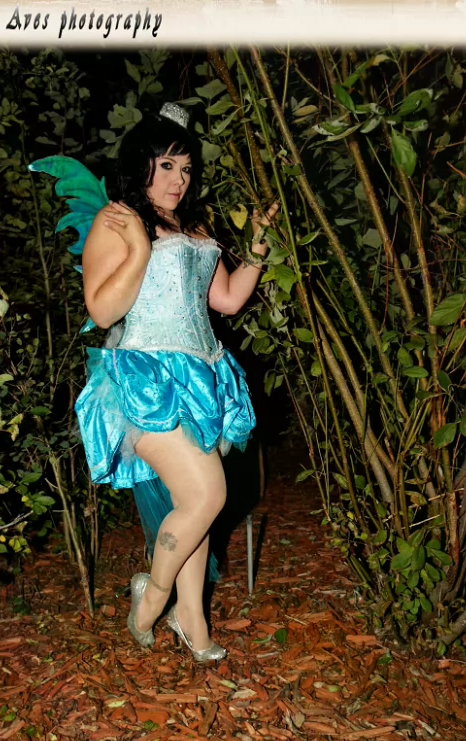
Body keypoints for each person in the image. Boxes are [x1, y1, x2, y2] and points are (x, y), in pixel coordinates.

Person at [75, 102, 277, 663]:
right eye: (166, 166)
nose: (178, 180)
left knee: (196, 502)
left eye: (186, 169)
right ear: (141, 164)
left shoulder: (195, 227)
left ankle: (193, 619)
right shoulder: (117, 221)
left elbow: (227, 299)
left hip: (202, 376)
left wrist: (259, 246)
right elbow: (103, 309)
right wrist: (140, 248)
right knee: (209, 494)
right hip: (145, 381)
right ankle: (152, 597)